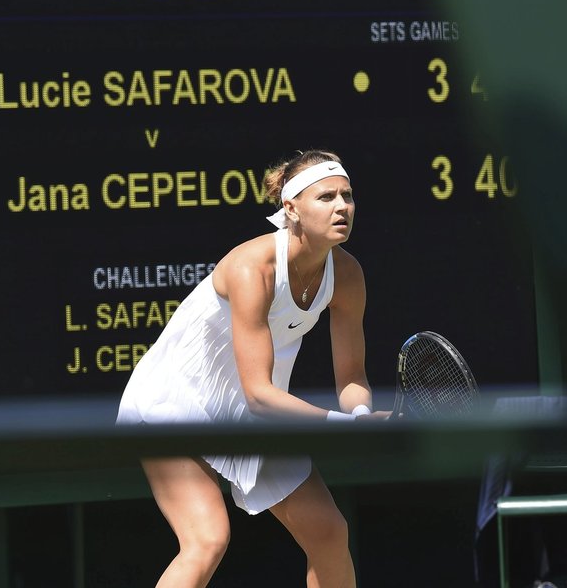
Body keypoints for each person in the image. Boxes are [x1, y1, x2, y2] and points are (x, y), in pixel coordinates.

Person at [116, 149, 383, 588]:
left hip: (254, 410)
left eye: (347, 196)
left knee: (330, 533)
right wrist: (340, 425)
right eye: (326, 197)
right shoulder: (251, 267)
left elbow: (352, 376)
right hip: (172, 402)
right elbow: (259, 394)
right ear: (291, 208)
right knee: (207, 539)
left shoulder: (348, 276)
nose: (342, 207)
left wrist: (359, 416)